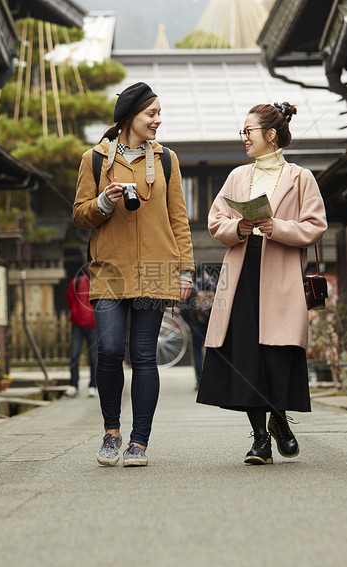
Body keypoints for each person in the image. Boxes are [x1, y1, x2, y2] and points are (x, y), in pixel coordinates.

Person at [196, 101, 327, 465]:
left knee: (279, 353)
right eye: (243, 132)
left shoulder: (301, 178)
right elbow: (215, 220)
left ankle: (279, 420)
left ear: (270, 135)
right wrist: (238, 227)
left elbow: (315, 226)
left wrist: (278, 228)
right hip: (241, 272)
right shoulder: (238, 176)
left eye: (248, 131)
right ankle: (259, 439)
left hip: (282, 274)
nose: (244, 138)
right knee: (246, 354)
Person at [73, 82, 194, 467]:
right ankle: (111, 433)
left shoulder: (167, 160)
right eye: (151, 114)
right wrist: (103, 203)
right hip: (109, 269)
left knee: (144, 355)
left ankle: (138, 442)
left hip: (156, 268)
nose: (158, 120)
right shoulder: (94, 159)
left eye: (159, 113)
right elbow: (79, 214)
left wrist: (186, 271)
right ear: (130, 117)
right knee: (108, 350)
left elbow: (179, 219)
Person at [178, 265, 217, 388]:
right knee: (213, 352)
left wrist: (189, 323)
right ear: (205, 271)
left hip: (195, 324)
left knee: (196, 351)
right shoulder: (212, 284)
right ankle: (212, 380)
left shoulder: (191, 286)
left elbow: (183, 309)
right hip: (210, 324)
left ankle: (200, 381)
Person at [66, 264, 98, 398]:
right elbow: (69, 299)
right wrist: (75, 311)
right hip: (78, 324)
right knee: (74, 355)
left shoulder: (101, 284)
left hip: (94, 325)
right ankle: (73, 384)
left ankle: (93, 386)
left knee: (94, 358)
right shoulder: (76, 282)